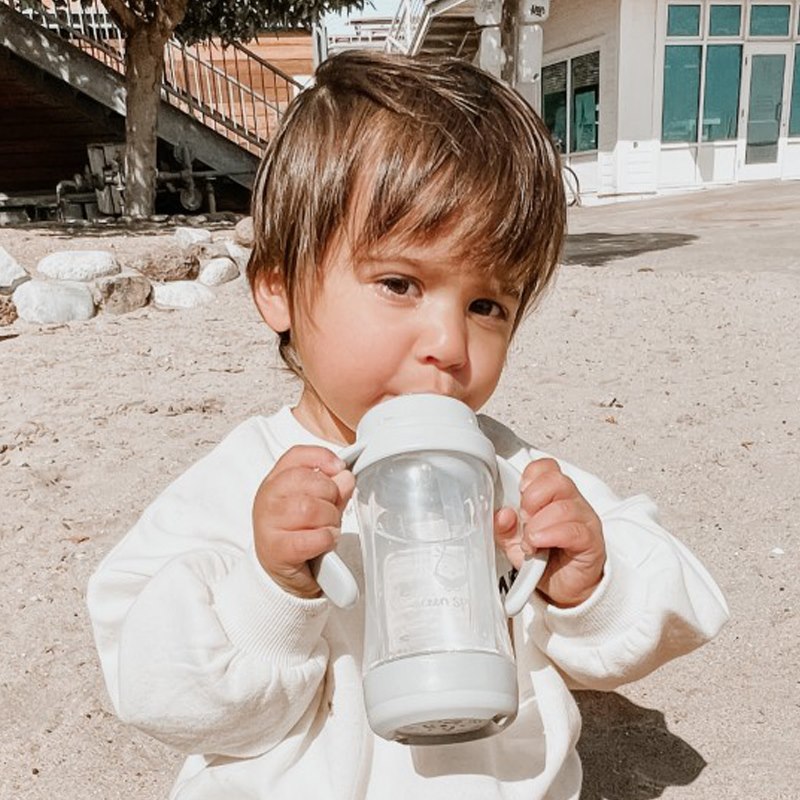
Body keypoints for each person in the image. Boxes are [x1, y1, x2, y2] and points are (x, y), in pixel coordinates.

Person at [87, 51, 729, 800]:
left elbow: (675, 600)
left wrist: (588, 582)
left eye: (487, 305)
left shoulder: (507, 470)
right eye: (400, 283)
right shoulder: (242, 484)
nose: (450, 346)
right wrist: (272, 592)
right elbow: (155, 685)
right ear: (277, 290)